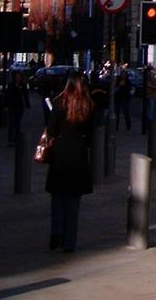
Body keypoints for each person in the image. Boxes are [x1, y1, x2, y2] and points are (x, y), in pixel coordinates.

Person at [44, 72, 94, 252]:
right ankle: (69, 242)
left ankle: (57, 230)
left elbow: (50, 130)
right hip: (78, 152)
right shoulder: (86, 104)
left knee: (57, 197)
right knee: (73, 201)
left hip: (60, 151)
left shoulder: (59, 102)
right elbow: (91, 131)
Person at [5, 71, 31, 146]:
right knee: (11, 123)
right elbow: (7, 95)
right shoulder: (11, 85)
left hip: (19, 106)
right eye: (16, 76)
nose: (18, 78)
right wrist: (6, 105)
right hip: (12, 105)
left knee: (17, 124)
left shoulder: (23, 85)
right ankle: (10, 140)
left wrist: (27, 104)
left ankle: (16, 140)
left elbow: (25, 95)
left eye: (19, 76)